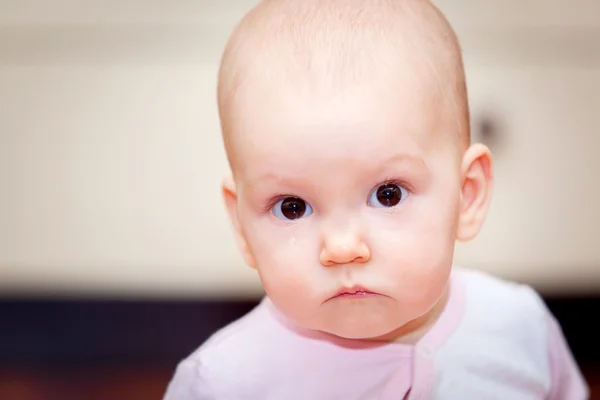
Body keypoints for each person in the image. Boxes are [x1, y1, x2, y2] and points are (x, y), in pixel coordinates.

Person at [163, 0, 589, 398]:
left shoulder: (520, 330)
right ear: (241, 226)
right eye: (292, 206)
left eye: (388, 195)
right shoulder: (223, 383)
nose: (343, 248)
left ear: (467, 195)